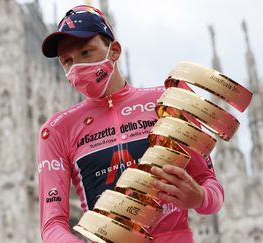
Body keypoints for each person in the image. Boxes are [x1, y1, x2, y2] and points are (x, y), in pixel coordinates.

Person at [37, 5, 224, 243]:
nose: (77, 68)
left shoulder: (168, 100)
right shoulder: (57, 130)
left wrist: (199, 198)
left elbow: (211, 187)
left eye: (86, 53)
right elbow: (52, 224)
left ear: (114, 51)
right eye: (67, 61)